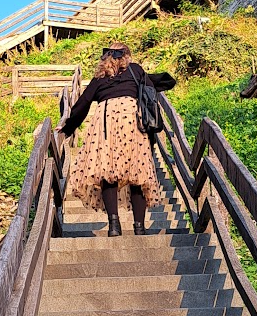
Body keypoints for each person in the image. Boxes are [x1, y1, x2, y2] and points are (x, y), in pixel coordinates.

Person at [57, 44, 175, 236]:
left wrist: (68, 126)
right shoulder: (135, 70)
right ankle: (139, 227)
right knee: (138, 174)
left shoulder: (99, 78)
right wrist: (165, 81)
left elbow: (84, 102)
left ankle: (114, 225)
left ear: (106, 58)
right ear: (127, 56)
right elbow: (150, 87)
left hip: (105, 121)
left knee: (107, 172)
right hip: (132, 120)